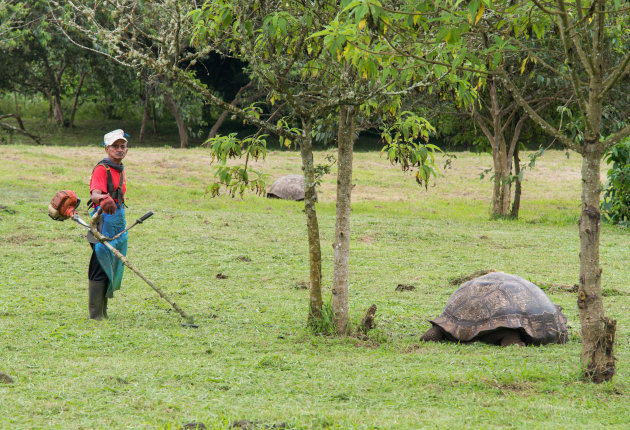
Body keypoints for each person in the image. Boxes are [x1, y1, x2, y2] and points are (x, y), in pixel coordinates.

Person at [87, 129, 129, 320]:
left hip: (117, 222)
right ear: (107, 148)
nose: (120, 149)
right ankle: (96, 315)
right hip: (101, 223)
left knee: (110, 265)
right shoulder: (101, 169)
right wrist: (103, 198)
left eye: (123, 146)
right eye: (115, 146)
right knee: (99, 264)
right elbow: (94, 193)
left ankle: (103, 312)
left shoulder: (119, 168)